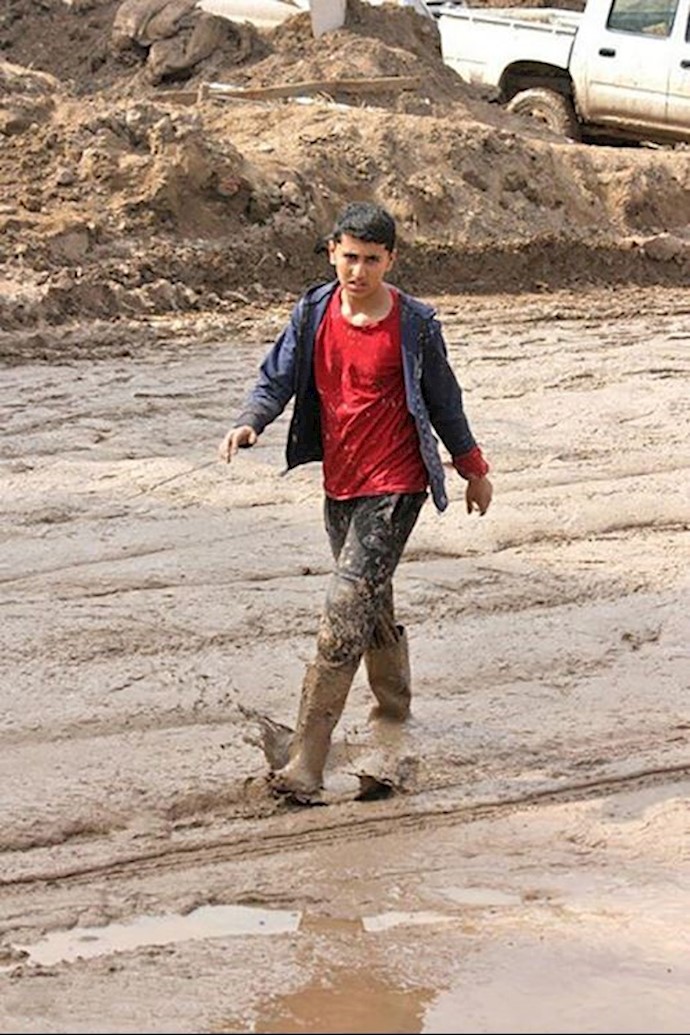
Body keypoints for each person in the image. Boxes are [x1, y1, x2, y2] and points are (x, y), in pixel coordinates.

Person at [218, 200, 492, 801]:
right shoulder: (313, 311)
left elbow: (445, 401)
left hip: (396, 488)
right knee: (370, 598)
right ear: (332, 254)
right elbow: (277, 378)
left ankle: (306, 764)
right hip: (340, 487)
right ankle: (394, 720)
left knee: (341, 617)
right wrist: (251, 422)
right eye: (349, 257)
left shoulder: (415, 325)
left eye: (372, 259)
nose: (359, 271)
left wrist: (473, 469)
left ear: (390, 260)